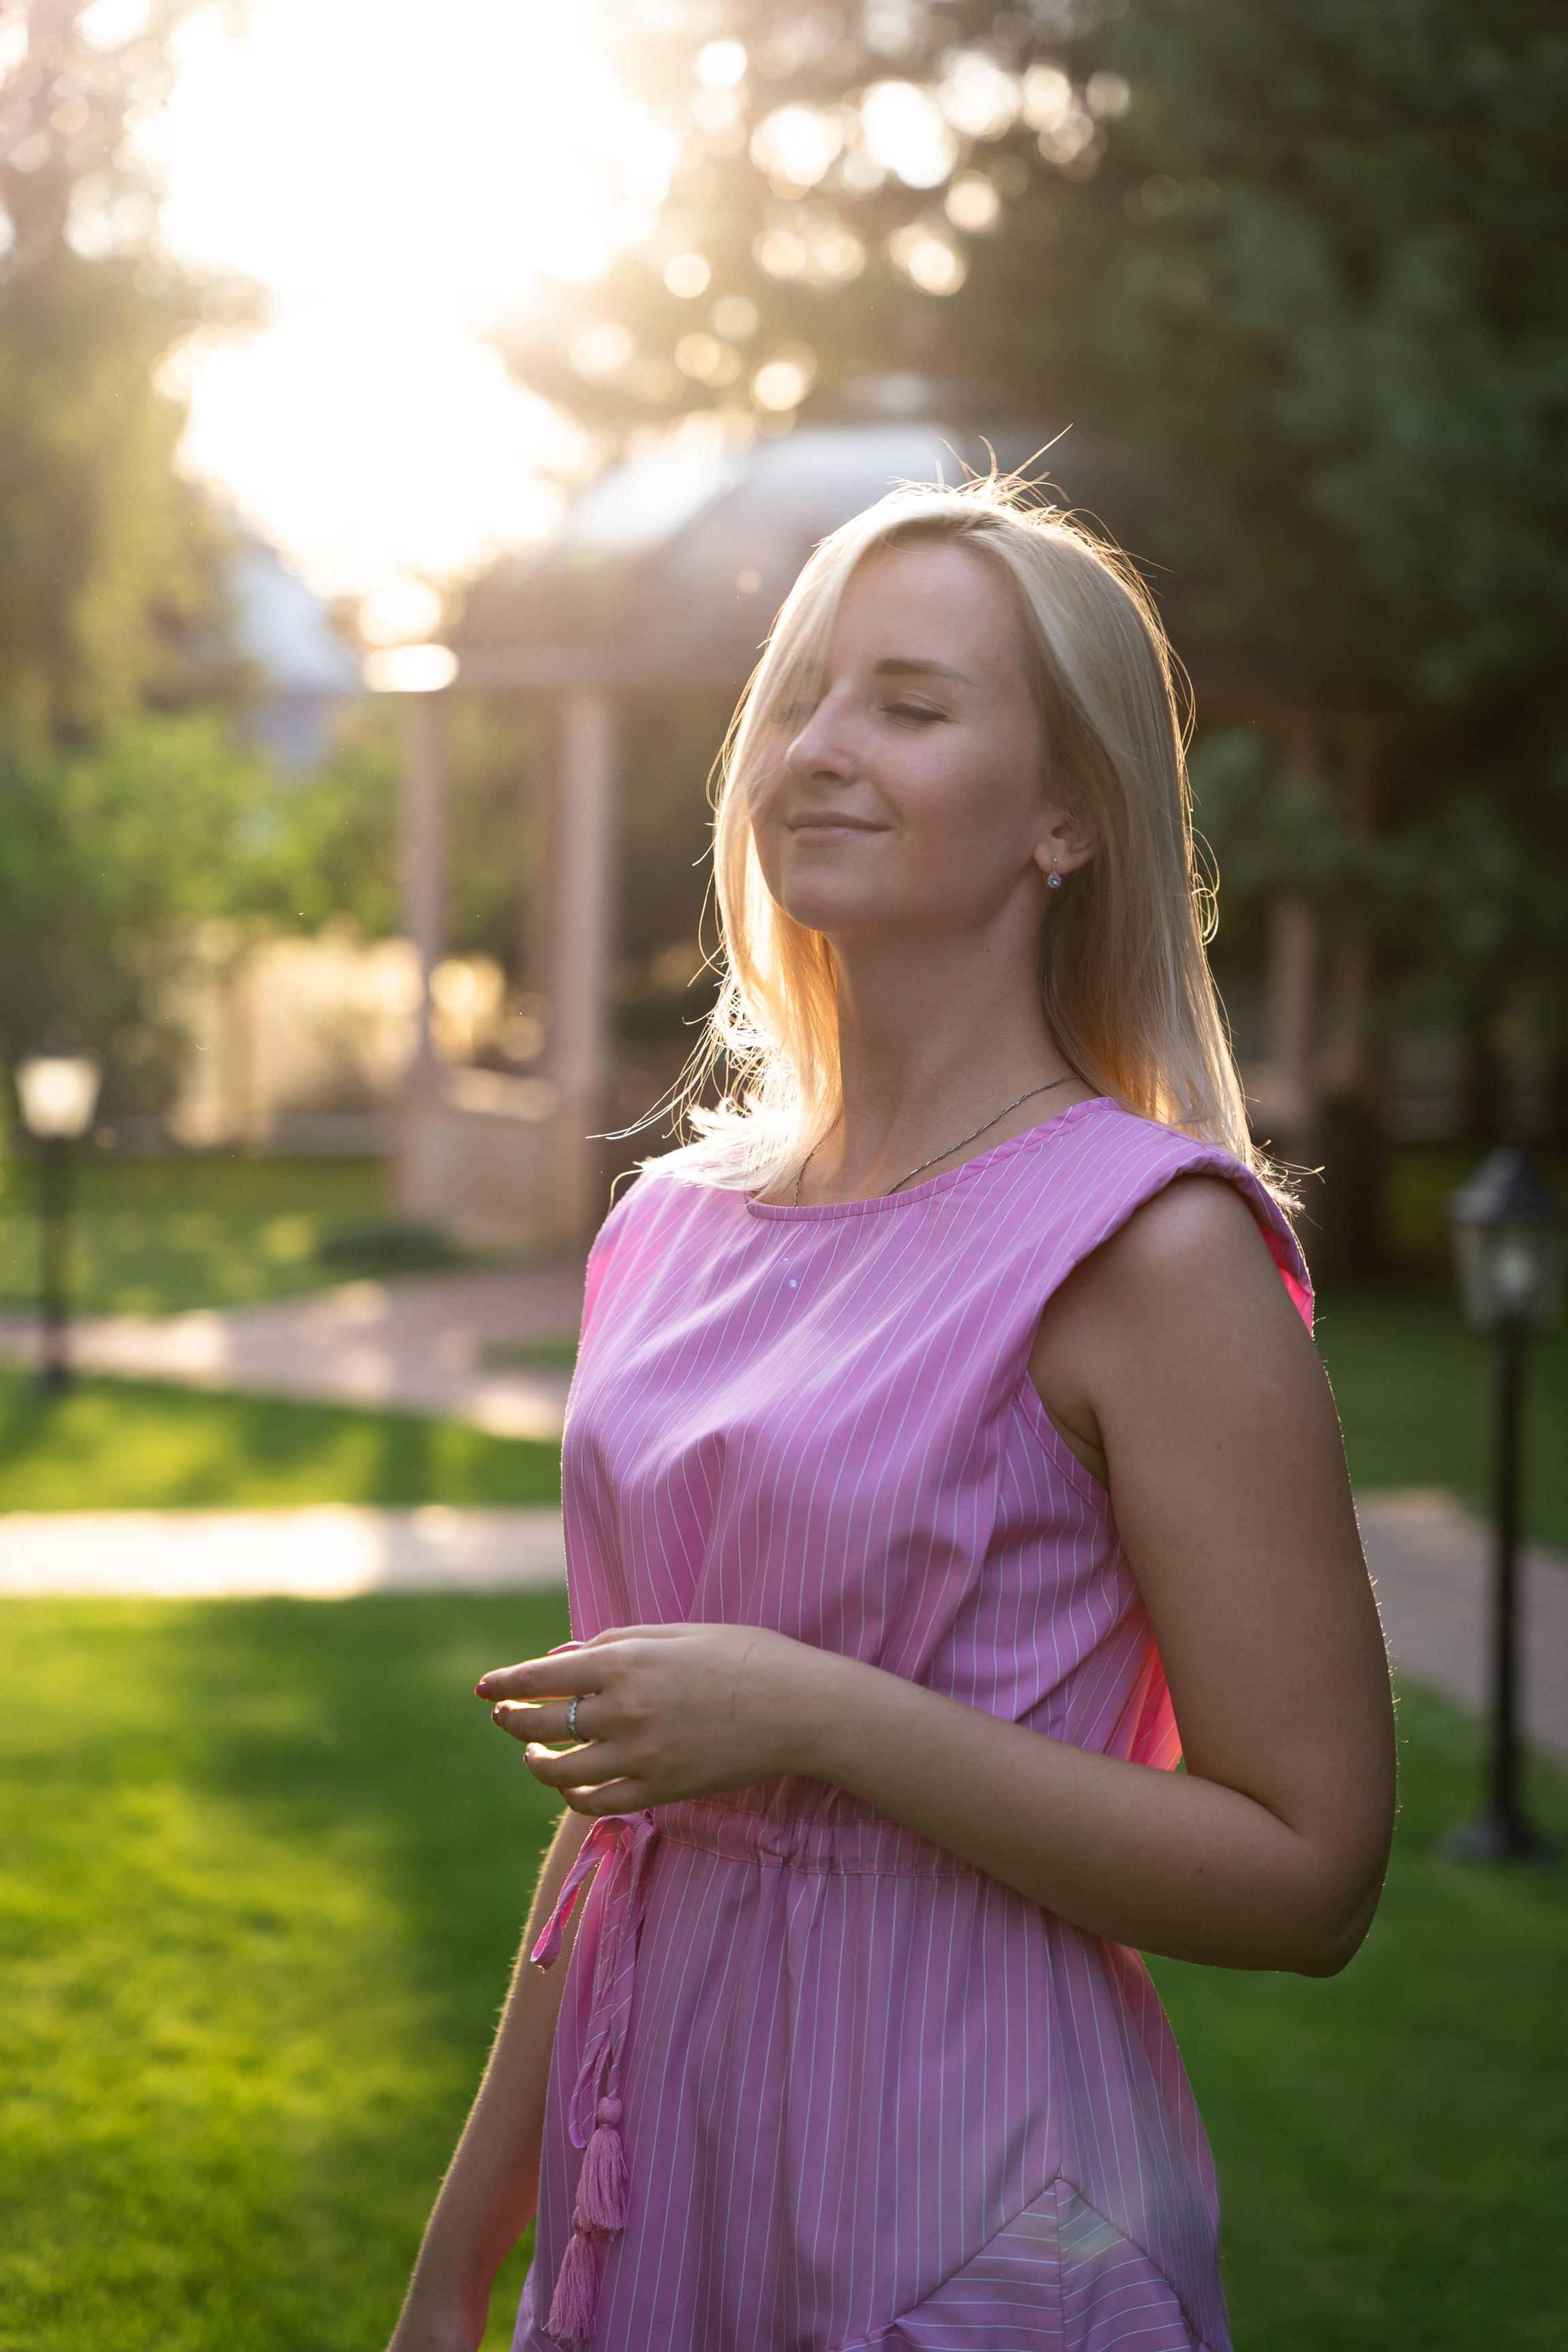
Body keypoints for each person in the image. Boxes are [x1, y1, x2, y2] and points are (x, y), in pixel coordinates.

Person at [387, 480, 1395, 2352]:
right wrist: (458, 2265)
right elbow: (635, 1787)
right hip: (655, 2181)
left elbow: (1309, 1865)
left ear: (1067, 816)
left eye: (910, 707)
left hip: (975, 2213)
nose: (818, 752)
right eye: (800, 698)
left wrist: (826, 1718)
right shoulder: (668, 1224)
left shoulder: (1148, 1247)